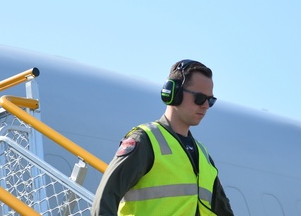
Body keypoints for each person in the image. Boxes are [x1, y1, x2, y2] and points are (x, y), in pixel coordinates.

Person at [91, 59, 235, 216]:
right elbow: (106, 197)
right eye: (200, 98)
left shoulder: (203, 156)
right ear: (174, 93)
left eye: (210, 100)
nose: (206, 105)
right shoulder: (145, 141)